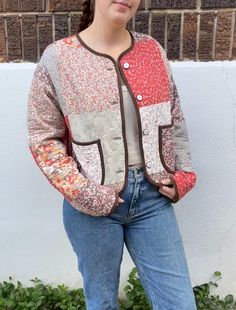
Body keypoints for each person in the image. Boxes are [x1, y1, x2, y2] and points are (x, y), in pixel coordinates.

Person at [27, 0, 198, 309]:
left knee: (179, 303)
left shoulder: (151, 50)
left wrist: (183, 174)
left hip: (152, 200)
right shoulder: (60, 58)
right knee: (102, 302)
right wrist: (86, 193)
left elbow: (174, 115)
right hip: (91, 206)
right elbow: (43, 138)